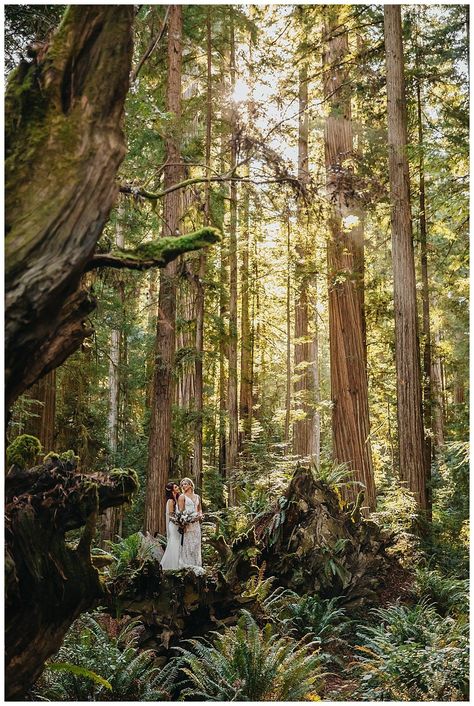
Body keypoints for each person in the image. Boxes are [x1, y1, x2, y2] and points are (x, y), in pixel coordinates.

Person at [178, 477, 203, 571]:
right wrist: (184, 521)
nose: (183, 486)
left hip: (196, 524)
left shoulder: (197, 497)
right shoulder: (182, 497)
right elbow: (181, 512)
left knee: (196, 543)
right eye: (182, 484)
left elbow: (200, 509)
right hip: (187, 523)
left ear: (190, 485)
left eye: (185, 484)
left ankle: (197, 565)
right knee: (188, 544)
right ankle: (187, 565)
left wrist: (200, 515)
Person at [160, 482, 181, 570]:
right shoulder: (170, 501)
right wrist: (178, 522)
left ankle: (178, 563)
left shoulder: (178, 498)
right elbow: (171, 515)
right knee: (174, 542)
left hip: (178, 524)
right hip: (173, 525)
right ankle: (170, 565)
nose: (178, 487)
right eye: (176, 487)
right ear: (172, 490)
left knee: (179, 543)